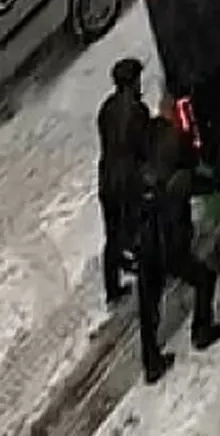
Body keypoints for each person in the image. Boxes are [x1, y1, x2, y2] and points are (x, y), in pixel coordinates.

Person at [135, 87, 220, 384]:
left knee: (148, 303)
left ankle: (151, 362)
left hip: (145, 239)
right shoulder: (180, 170)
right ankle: (202, 331)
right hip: (170, 242)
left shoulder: (148, 146)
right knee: (204, 278)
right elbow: (213, 182)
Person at [95, 58, 154, 307]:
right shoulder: (139, 111)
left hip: (107, 178)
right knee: (138, 225)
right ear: (132, 82)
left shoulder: (106, 108)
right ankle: (144, 271)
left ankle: (112, 288)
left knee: (113, 234)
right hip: (128, 180)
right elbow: (143, 148)